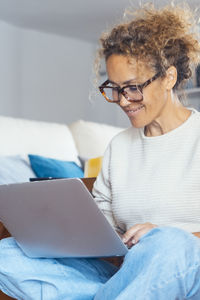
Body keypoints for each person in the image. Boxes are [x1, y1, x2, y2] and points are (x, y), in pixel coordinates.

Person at [1, 3, 200, 300]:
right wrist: (86, 236)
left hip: (185, 268)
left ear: (168, 77)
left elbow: (171, 248)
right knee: (9, 253)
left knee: (169, 244)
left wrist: (167, 237)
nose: (122, 100)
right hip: (127, 272)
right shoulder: (119, 147)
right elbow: (104, 221)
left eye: (132, 87)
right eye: (114, 88)